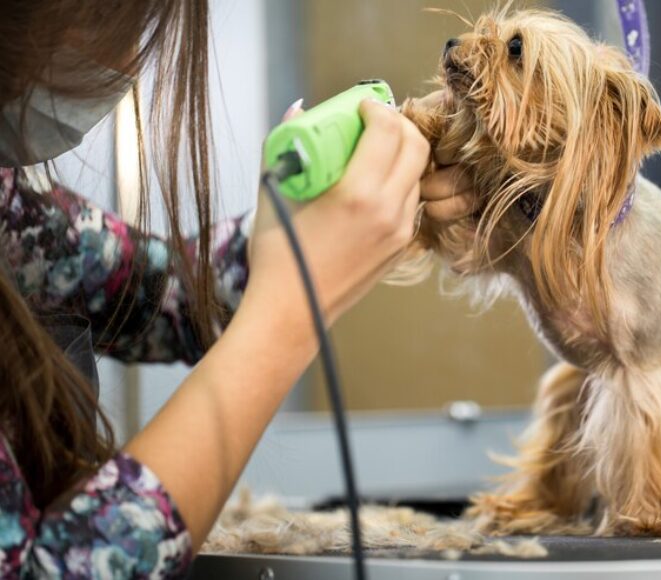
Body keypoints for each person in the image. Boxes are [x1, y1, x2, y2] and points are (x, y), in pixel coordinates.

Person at [0, 1, 474, 577]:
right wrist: (288, 314)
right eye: (118, 20)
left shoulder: (12, 211)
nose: (131, 56)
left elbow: (159, 291)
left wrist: (337, 220)